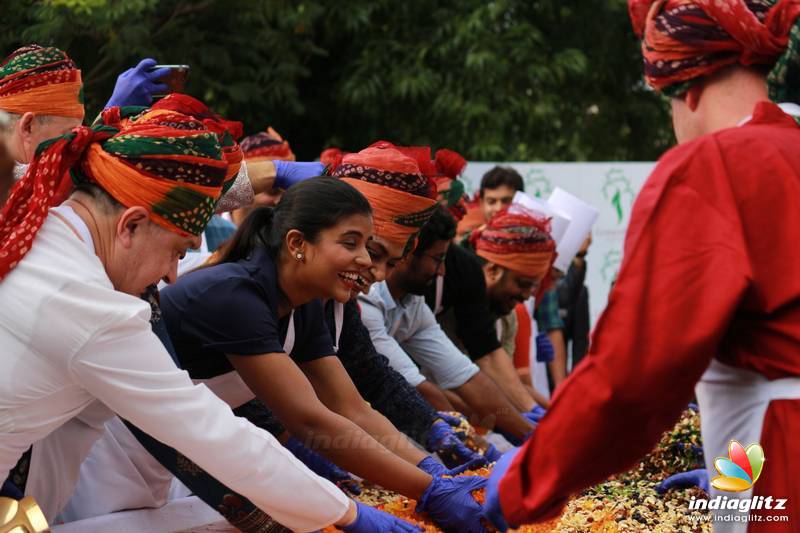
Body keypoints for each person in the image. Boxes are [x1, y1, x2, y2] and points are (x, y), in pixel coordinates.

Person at [0, 107, 403, 532]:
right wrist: (350, 515)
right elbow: (208, 429)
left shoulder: (43, 225)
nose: (174, 274)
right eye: (178, 250)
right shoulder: (87, 303)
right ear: (130, 225)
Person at [486, 1, 800, 530]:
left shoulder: (713, 165)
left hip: (779, 453)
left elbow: (634, 371)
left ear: (686, 91)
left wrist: (527, 482)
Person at [160, 172, 487, 532]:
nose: (365, 261)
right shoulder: (235, 295)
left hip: (182, 452)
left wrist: (430, 469)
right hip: (134, 448)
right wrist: (429, 490)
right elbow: (309, 420)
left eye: (368, 246)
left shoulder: (306, 303)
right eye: (352, 244)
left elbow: (353, 408)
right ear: (298, 243)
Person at [360, 206, 540, 443]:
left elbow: (465, 376)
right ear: (408, 253)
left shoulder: (414, 303)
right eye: (438, 259)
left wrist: (531, 434)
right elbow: (413, 385)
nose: (442, 271)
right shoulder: (366, 298)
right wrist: (475, 446)